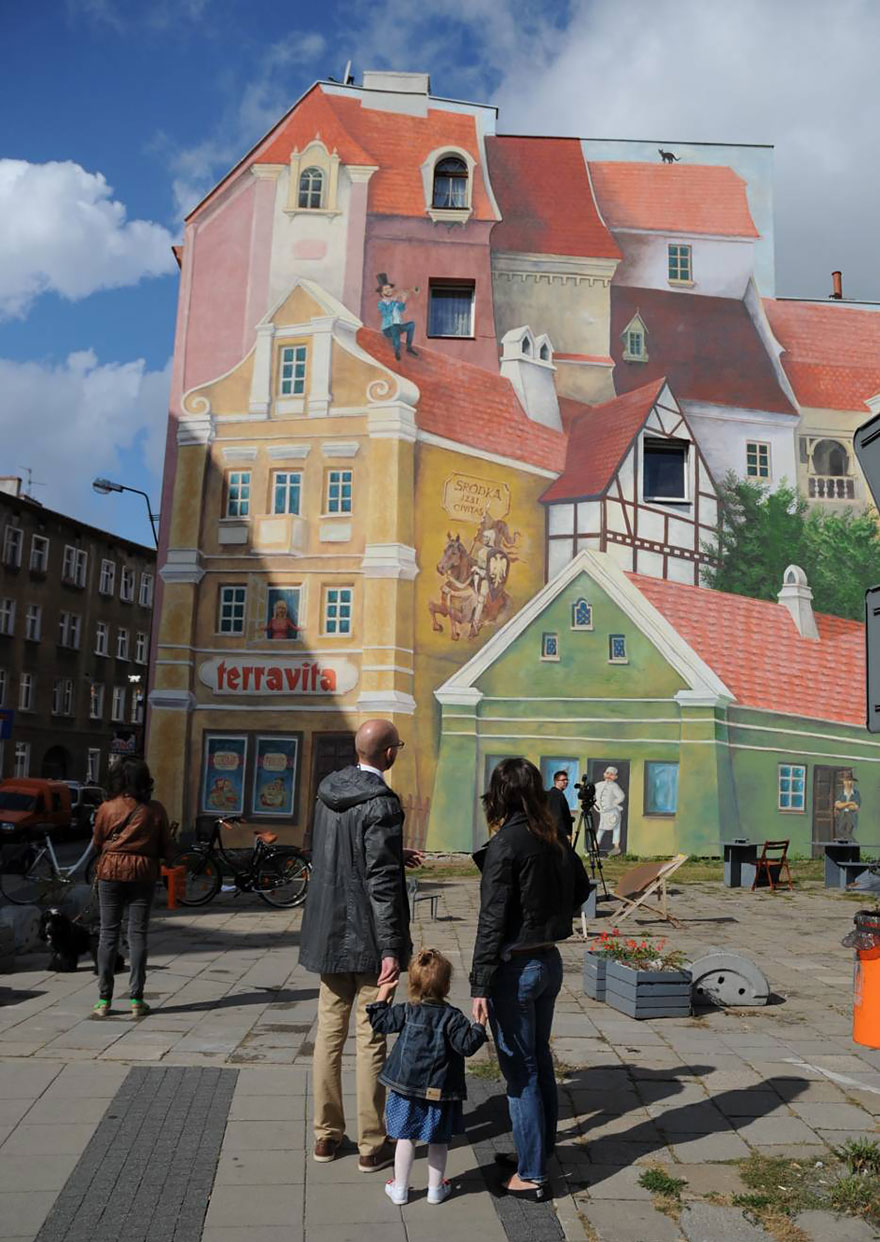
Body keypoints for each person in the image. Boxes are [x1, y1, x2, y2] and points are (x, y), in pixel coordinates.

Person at [299, 718, 422, 1172]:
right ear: (388, 753)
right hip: (369, 938)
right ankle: (372, 1144)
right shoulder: (382, 804)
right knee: (372, 1039)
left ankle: (325, 1137)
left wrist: (395, 854)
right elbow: (381, 881)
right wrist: (392, 947)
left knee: (329, 1036)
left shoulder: (329, 791)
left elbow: (338, 853)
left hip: (329, 932)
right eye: (398, 748)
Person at [470, 758, 591, 1200]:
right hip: (548, 963)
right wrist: (548, 919)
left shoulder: (508, 843)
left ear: (500, 796)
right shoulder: (553, 837)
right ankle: (535, 1152)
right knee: (538, 1062)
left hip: (516, 969)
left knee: (521, 1074)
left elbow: (492, 918)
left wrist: (480, 983)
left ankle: (534, 1175)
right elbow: (582, 889)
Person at [367, 947, 487, 1206]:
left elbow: (380, 1023)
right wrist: (479, 1026)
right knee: (438, 1140)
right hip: (440, 1091)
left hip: (406, 1089)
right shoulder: (453, 1017)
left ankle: (399, 1188)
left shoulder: (407, 1010)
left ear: (412, 983)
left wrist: (384, 992)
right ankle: (435, 1189)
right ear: (446, 985)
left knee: (405, 1137)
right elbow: (467, 1046)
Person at [91, 757, 175, 1018]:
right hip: (143, 872)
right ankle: (137, 999)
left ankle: (104, 1000)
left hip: (111, 871)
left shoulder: (107, 807)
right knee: (137, 934)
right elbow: (166, 847)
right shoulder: (155, 810)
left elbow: (97, 842)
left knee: (108, 933)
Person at [376, 272, 419, 361]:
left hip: (398, 325)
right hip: (388, 328)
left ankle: (409, 347)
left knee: (412, 325)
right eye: (386, 289)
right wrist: (393, 301)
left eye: (389, 288)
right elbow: (386, 314)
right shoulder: (381, 304)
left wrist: (403, 300)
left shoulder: (394, 302)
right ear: (382, 292)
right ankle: (397, 352)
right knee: (395, 328)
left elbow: (401, 309)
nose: (388, 290)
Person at [594, 766, 626, 855]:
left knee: (616, 828)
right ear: (604, 774)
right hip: (603, 812)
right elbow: (593, 794)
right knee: (601, 828)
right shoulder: (598, 785)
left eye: (611, 774)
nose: (609, 776)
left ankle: (616, 847)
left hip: (612, 812)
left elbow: (621, 796)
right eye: (607, 773)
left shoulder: (614, 786)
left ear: (615, 777)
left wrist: (613, 803)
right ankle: (595, 846)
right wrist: (595, 804)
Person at [546, 771, 574, 841]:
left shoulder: (553, 794)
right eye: (563, 780)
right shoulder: (556, 795)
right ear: (556, 781)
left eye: (567, 780)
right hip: (559, 834)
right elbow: (557, 815)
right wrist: (565, 834)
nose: (566, 782)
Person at [834, 770, 861, 836]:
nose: (848, 783)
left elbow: (855, 807)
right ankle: (854, 843)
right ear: (843, 782)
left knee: (848, 832)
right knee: (840, 831)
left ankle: (852, 843)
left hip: (851, 816)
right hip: (842, 816)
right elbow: (838, 805)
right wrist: (850, 803)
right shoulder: (840, 793)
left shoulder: (856, 794)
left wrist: (843, 805)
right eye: (846, 781)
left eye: (850, 781)